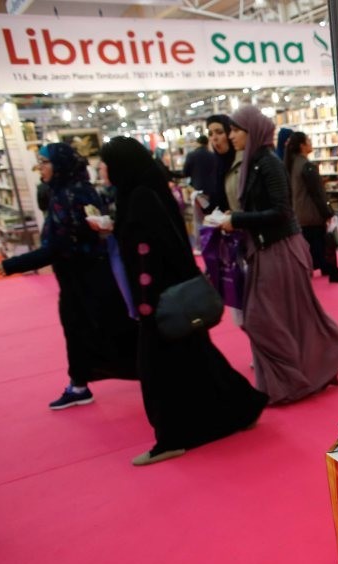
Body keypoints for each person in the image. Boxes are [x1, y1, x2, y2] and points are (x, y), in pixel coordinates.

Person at [98, 136, 267, 465]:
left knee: (157, 370)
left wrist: (146, 303)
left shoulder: (140, 197)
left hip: (160, 301)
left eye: (106, 162)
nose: (102, 169)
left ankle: (171, 437)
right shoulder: (145, 191)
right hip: (171, 297)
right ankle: (243, 407)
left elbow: (148, 251)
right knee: (196, 358)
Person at [0, 142, 138, 409]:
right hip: (80, 277)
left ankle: (142, 373)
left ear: (60, 165)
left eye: (44, 162)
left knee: (105, 329)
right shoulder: (68, 191)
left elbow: (59, 246)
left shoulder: (70, 196)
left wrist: (16, 264)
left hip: (87, 277)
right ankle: (80, 383)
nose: (40, 167)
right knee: (83, 330)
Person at [221, 105, 338, 405]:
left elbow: (280, 211)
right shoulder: (253, 163)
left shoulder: (268, 163)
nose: (231, 136)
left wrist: (238, 220)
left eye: (236, 130)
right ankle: (295, 378)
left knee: (265, 318)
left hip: (280, 249)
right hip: (266, 249)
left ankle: (301, 375)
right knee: (285, 318)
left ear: (252, 132)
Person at [283, 130, 338, 282]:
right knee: (326, 242)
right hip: (312, 213)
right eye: (308, 141)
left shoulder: (292, 165)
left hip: (300, 212)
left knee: (312, 244)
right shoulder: (307, 166)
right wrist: (327, 213)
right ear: (302, 145)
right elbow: (317, 193)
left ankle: (325, 268)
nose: (311, 143)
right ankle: (332, 272)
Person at [205, 114, 236, 213]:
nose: (214, 138)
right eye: (210, 134)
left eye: (219, 132)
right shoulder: (214, 164)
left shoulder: (242, 162)